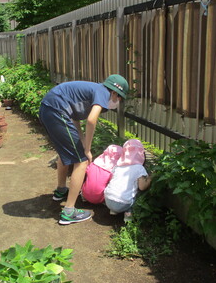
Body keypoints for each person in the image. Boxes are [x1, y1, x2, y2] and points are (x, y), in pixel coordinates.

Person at [39, 74, 129, 225]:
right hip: (57, 111)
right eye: (119, 98)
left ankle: (61, 190)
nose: (118, 101)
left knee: (66, 153)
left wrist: (81, 139)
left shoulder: (92, 91)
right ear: (114, 92)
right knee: (81, 161)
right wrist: (87, 149)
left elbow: (74, 117)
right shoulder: (103, 92)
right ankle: (69, 212)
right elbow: (91, 120)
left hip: (48, 109)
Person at [104, 139, 151, 222]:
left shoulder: (118, 166)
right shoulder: (139, 168)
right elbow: (142, 187)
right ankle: (128, 214)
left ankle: (113, 211)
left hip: (107, 199)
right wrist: (150, 178)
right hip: (123, 203)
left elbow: (112, 179)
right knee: (138, 193)